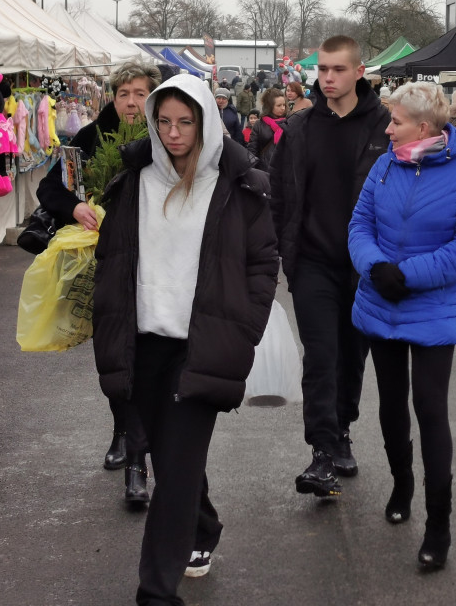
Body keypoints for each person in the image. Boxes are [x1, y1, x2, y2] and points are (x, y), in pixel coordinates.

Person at [92, 73, 277, 604]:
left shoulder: (238, 183)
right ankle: (205, 527)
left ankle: (154, 590)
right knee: (172, 460)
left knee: (174, 473)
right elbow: (112, 257)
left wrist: (246, 327)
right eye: (164, 122)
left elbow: (264, 263)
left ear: (205, 122)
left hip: (203, 345)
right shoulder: (134, 178)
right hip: (143, 342)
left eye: (185, 122)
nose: (174, 133)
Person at [348, 81, 456, 570]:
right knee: (390, 404)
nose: (387, 128)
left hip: (430, 309)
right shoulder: (385, 165)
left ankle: (439, 524)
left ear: (423, 127)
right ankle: (401, 483)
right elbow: (359, 225)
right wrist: (375, 267)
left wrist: (408, 276)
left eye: (395, 121)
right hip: (379, 303)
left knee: (430, 411)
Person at [35, 59, 160, 506]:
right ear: (112, 95)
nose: (131, 102)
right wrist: (75, 207)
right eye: (124, 93)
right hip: (102, 260)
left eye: (140, 93)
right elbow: (49, 189)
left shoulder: (166, 136)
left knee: (149, 351)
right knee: (112, 349)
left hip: (156, 263)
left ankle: (142, 438)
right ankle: (121, 430)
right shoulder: (88, 138)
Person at [270, 35, 389, 497]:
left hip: (364, 267)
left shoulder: (383, 126)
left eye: (338, 69)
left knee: (352, 356)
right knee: (321, 355)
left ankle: (342, 429)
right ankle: (321, 451)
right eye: (322, 70)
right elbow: (280, 194)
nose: (328, 78)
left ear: (359, 71)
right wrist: (288, 254)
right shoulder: (299, 128)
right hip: (313, 262)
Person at [247, 88, 287, 171]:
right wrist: (252, 171)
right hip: (264, 169)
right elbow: (252, 149)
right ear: (269, 106)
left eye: (284, 105)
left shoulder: (289, 122)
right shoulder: (259, 124)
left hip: (284, 170)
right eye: (279, 105)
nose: (283, 108)